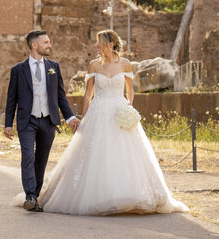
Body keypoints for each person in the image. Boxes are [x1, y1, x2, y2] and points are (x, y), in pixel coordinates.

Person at [32, 29, 189, 215]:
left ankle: (130, 195)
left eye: (100, 43)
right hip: (98, 111)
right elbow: (88, 94)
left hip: (119, 110)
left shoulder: (125, 64)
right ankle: (98, 196)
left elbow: (130, 90)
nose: (96, 46)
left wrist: (128, 106)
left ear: (111, 44)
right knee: (96, 152)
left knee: (124, 152)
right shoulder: (94, 65)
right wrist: (84, 116)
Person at [4, 30, 80, 212]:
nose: (49, 45)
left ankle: (34, 197)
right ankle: (30, 195)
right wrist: (8, 123)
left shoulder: (54, 67)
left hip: (48, 121)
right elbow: (11, 98)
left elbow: (61, 96)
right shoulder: (18, 70)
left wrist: (70, 117)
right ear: (34, 45)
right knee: (28, 157)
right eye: (46, 42)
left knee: (41, 160)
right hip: (27, 121)